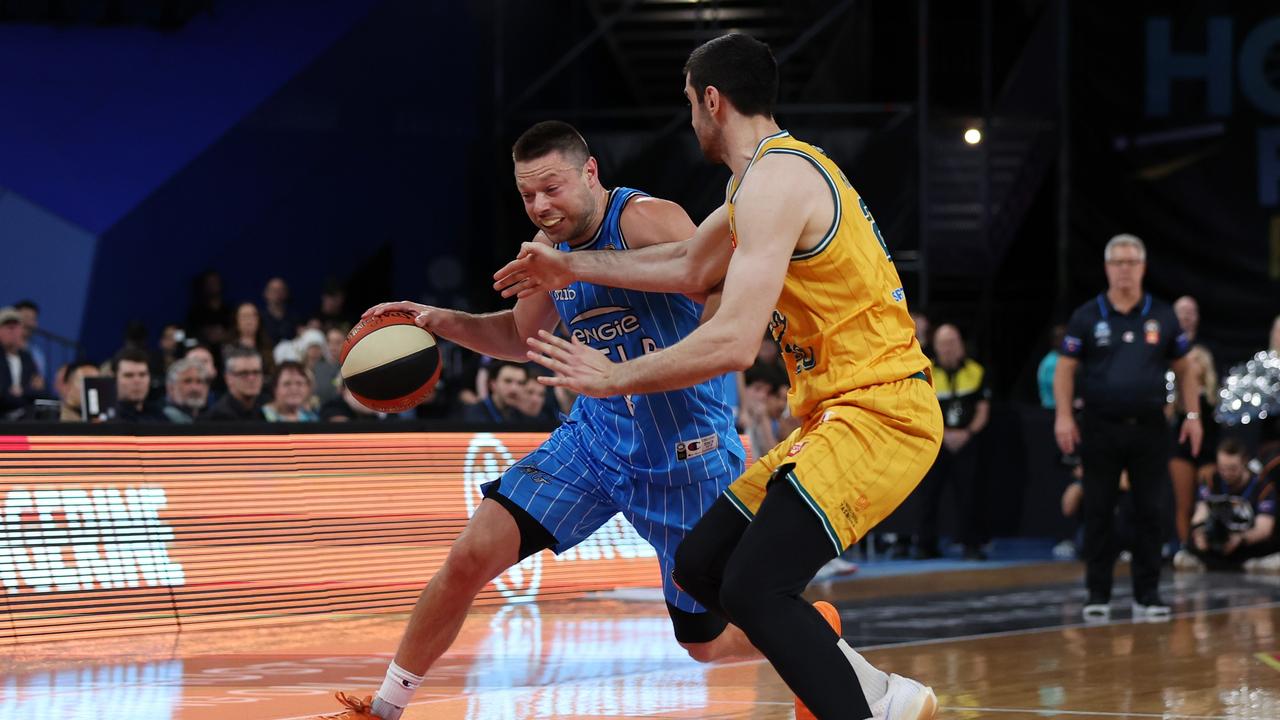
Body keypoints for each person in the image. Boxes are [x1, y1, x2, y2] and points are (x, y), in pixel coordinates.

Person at [496, 34, 941, 720]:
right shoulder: (755, 184)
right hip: (834, 418)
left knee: (759, 587)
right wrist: (571, 266)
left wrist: (613, 378)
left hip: (883, 414)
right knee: (701, 567)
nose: (690, 119)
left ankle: (866, 709)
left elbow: (733, 342)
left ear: (711, 100)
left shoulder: (778, 179)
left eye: (689, 102)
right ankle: (882, 695)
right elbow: (685, 267)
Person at [322, 120, 750, 720]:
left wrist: (636, 338)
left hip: (683, 452)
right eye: (528, 196)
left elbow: (724, 294)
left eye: (552, 188)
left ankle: (817, 642)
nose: (542, 207)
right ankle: (385, 709)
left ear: (591, 172)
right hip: (595, 441)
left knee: (704, 643)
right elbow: (523, 338)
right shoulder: (545, 250)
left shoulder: (647, 220)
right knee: (470, 555)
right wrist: (439, 319)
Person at [1054, 233, 1203, 620]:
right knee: (1099, 509)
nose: (1124, 269)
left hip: (1151, 427)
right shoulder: (1088, 315)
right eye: (1117, 262)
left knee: (1151, 510)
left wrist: (1192, 416)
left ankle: (1148, 594)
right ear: (1107, 268)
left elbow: (1186, 369)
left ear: (1142, 267)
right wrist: (1064, 416)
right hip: (1100, 426)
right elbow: (1066, 370)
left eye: (1131, 262)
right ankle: (1097, 594)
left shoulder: (1163, 315)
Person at [915, 324, 991, 561]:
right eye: (943, 343)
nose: (948, 348)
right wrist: (943, 433)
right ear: (935, 346)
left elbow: (982, 409)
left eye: (953, 342)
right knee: (928, 494)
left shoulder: (976, 372)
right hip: (936, 441)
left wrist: (967, 432)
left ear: (961, 345)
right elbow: (921, 408)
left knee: (969, 494)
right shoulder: (926, 373)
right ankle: (925, 545)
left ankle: (971, 544)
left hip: (966, 440)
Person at [1175, 439, 1276, 572]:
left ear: (1244, 462)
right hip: (1217, 544)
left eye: (1232, 469)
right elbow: (1200, 512)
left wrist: (1240, 539)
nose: (1227, 473)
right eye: (1222, 468)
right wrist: (1199, 533)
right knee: (1181, 558)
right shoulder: (1212, 479)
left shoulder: (1262, 486)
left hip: (1247, 545)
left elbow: (1264, 529)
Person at [1168, 344, 1218, 548]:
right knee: (1185, 505)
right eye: (1190, 361)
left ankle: (1207, 545)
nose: (1192, 365)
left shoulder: (1214, 397)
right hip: (1182, 452)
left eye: (1197, 360)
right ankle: (1184, 546)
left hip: (1208, 453)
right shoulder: (1178, 397)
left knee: (1207, 502)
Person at [0, 306, 46, 419]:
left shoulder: (28, 358)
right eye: (7, 327)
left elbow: (39, 390)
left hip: (25, 417)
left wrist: (21, 392)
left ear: (21, 330)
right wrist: (25, 392)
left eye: (15, 327)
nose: (12, 331)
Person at [459, 360, 531, 423]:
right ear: (493, 384)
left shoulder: (524, 419)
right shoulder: (469, 416)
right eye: (508, 381)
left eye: (520, 383)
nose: (514, 388)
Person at [206, 347, 267, 421]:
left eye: (256, 372)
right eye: (244, 373)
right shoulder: (216, 417)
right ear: (228, 378)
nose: (251, 378)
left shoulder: (269, 410)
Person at [110, 348, 169, 423]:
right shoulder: (108, 420)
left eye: (142, 375)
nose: (137, 381)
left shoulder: (159, 416)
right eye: (129, 375)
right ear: (114, 378)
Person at [162, 358, 212, 423]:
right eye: (187, 381)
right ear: (171, 388)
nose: (194, 388)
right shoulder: (159, 419)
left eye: (199, 381)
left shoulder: (215, 417)